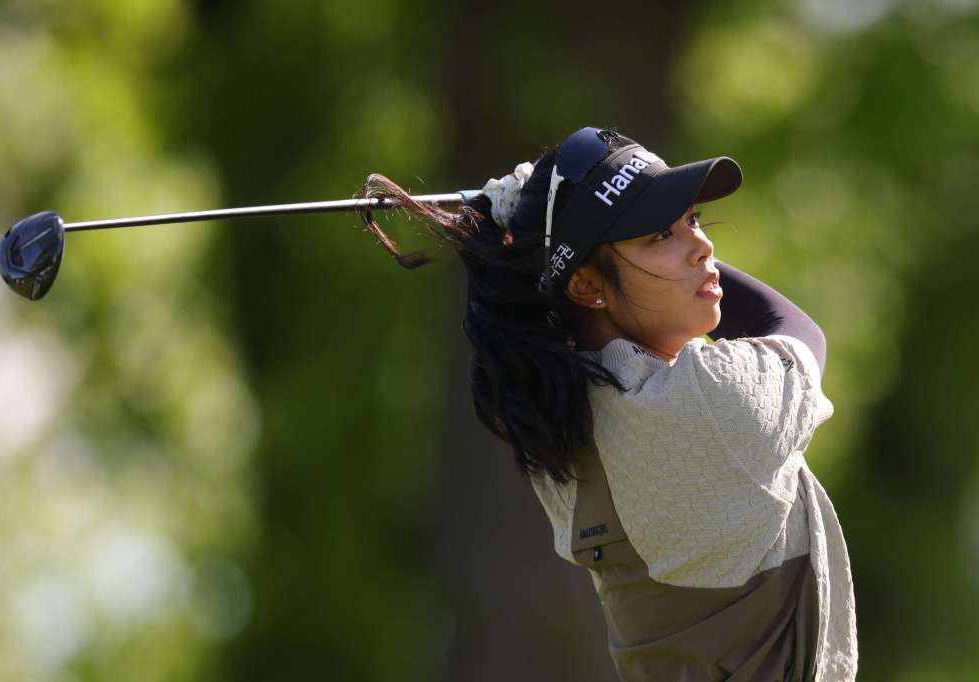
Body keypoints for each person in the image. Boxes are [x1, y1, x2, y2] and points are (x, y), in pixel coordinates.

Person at [359, 127, 857, 682]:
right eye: (660, 234)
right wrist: (546, 235)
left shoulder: (562, 417)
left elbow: (580, 292)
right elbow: (790, 328)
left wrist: (544, 240)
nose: (704, 247)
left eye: (692, 219)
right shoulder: (708, 402)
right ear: (586, 286)